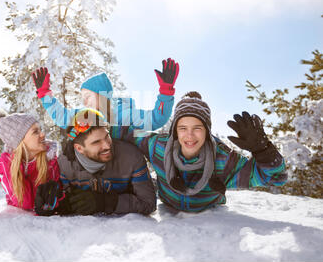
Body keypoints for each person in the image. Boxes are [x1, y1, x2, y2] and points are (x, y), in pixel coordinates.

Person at [110, 91, 288, 213]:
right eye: (182, 128)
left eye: (197, 128)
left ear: (207, 131)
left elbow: (276, 178)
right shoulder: (158, 146)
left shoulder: (224, 159)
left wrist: (264, 150)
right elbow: (125, 133)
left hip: (208, 212)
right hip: (168, 205)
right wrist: (90, 126)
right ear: (175, 131)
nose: (189, 135)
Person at [41, 108, 157, 216]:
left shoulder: (131, 157)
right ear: (79, 148)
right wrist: (55, 202)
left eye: (107, 136)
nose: (107, 145)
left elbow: (149, 203)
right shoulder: (65, 164)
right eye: (96, 142)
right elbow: (63, 196)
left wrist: (106, 202)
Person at [31, 58, 179, 133]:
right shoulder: (84, 116)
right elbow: (62, 117)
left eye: (88, 96)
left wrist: (165, 92)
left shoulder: (124, 115)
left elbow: (156, 119)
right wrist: (45, 95)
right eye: (83, 97)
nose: (84, 101)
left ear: (102, 95)